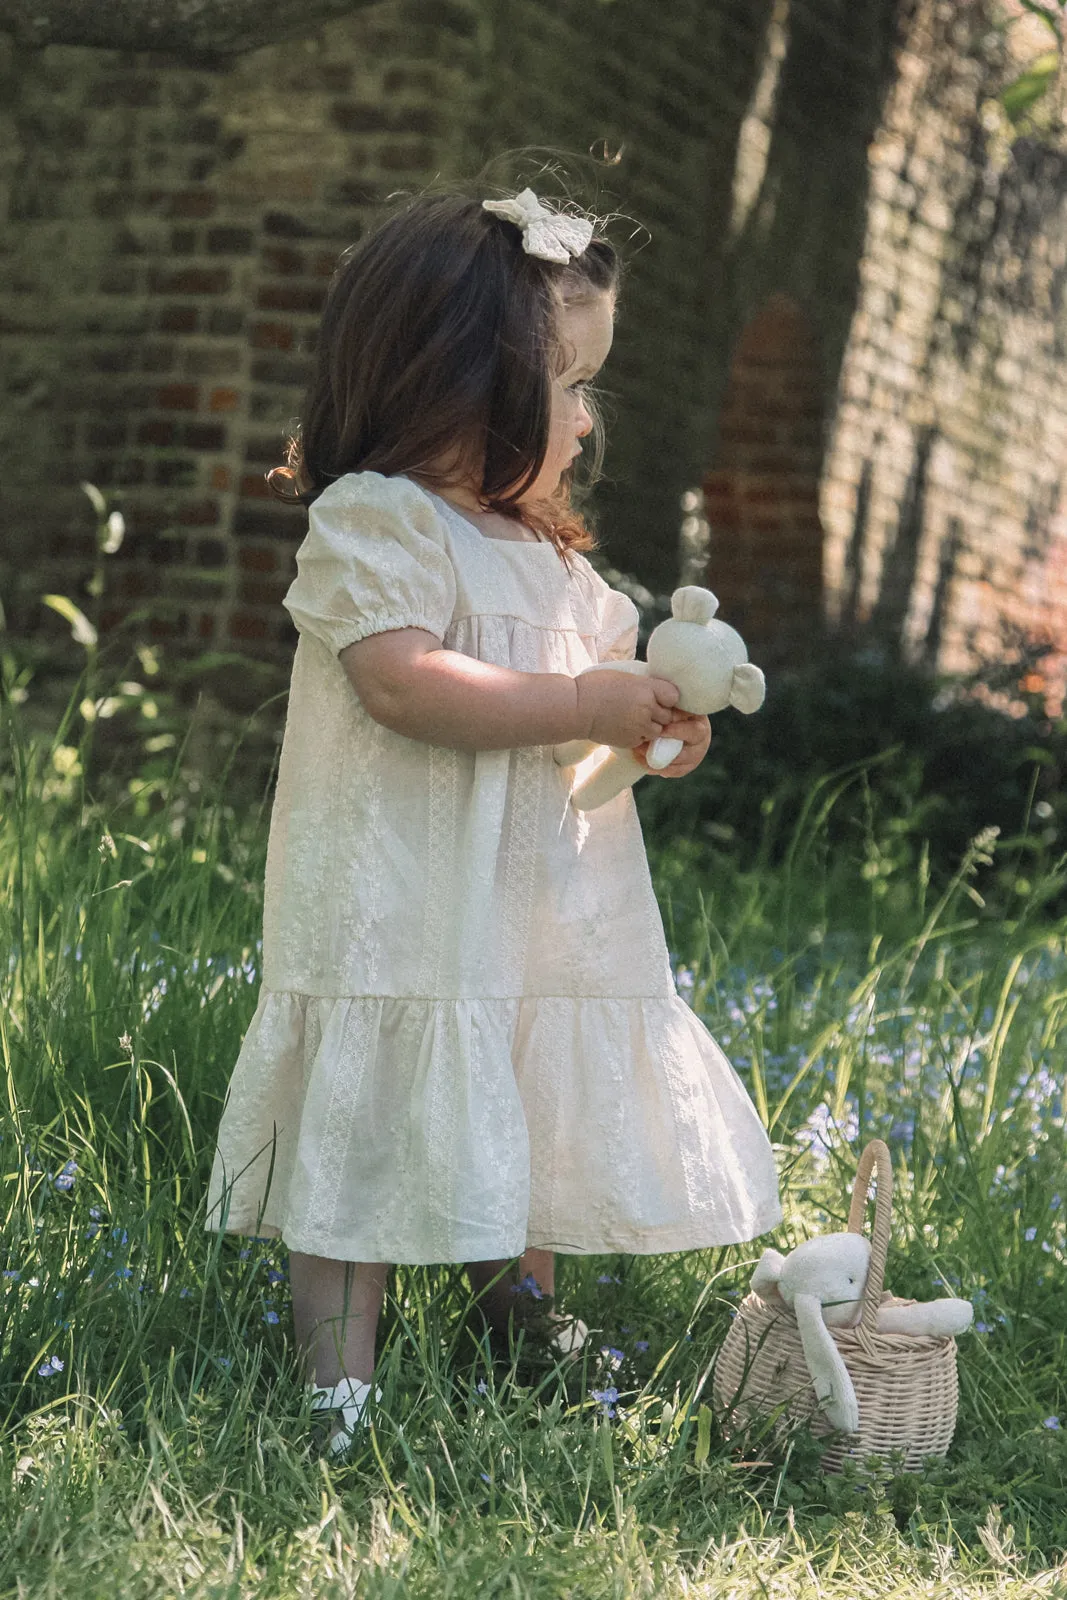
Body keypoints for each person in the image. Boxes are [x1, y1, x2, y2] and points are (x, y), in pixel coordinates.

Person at [205, 180, 781, 1454]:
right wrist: (579, 693)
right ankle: (335, 1383)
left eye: (587, 389)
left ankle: (515, 1316)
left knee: (518, 1092)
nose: (585, 418)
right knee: (371, 1123)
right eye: (566, 385)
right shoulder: (379, 524)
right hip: (397, 906)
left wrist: (646, 729)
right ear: (453, 381)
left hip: (532, 904)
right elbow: (403, 683)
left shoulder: (557, 566)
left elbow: (595, 725)